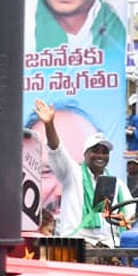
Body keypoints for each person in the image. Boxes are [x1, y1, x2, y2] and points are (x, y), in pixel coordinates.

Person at [33, 100, 130, 246]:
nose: (100, 155)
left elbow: (129, 214)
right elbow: (57, 150)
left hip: (110, 245)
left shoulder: (117, 184)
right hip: (78, 243)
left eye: (105, 152)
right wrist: (49, 125)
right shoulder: (73, 174)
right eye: (95, 151)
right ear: (85, 155)